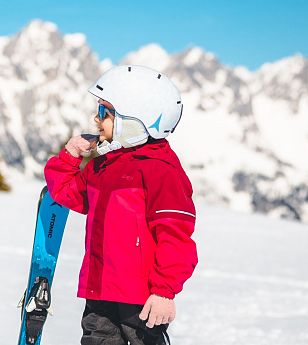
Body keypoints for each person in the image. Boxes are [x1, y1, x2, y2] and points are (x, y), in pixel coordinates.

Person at [44, 65, 197, 345]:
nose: (96, 119)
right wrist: (71, 155)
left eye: (105, 112)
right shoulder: (105, 164)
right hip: (99, 291)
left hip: (140, 299)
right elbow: (67, 194)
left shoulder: (161, 171)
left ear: (136, 120)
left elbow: (176, 238)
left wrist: (163, 291)